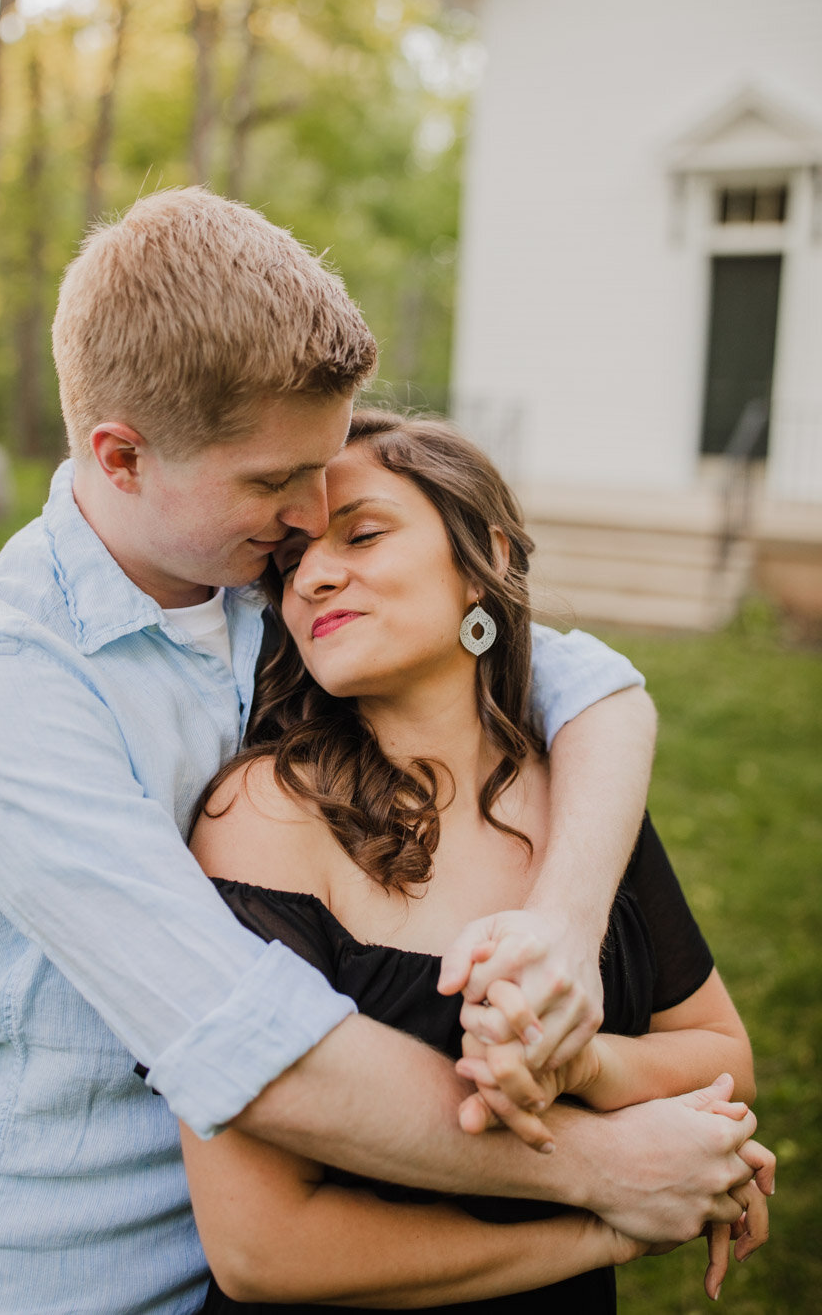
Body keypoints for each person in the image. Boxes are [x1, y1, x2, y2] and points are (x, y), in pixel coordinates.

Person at [0, 189, 769, 1315]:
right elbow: (261, 1051)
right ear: (120, 459)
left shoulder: (261, 578)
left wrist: (562, 929)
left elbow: (581, 682)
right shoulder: (5, 688)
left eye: (324, 471)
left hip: (337, 1230)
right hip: (87, 1269)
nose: (311, 516)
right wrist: (607, 1178)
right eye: (276, 482)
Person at [182, 408, 771, 1313]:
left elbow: (720, 1049)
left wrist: (583, 1069)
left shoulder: (581, 801)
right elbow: (262, 1248)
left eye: (363, 533)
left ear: (478, 558)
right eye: (292, 562)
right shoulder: (266, 815)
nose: (314, 577)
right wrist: (612, 1221)